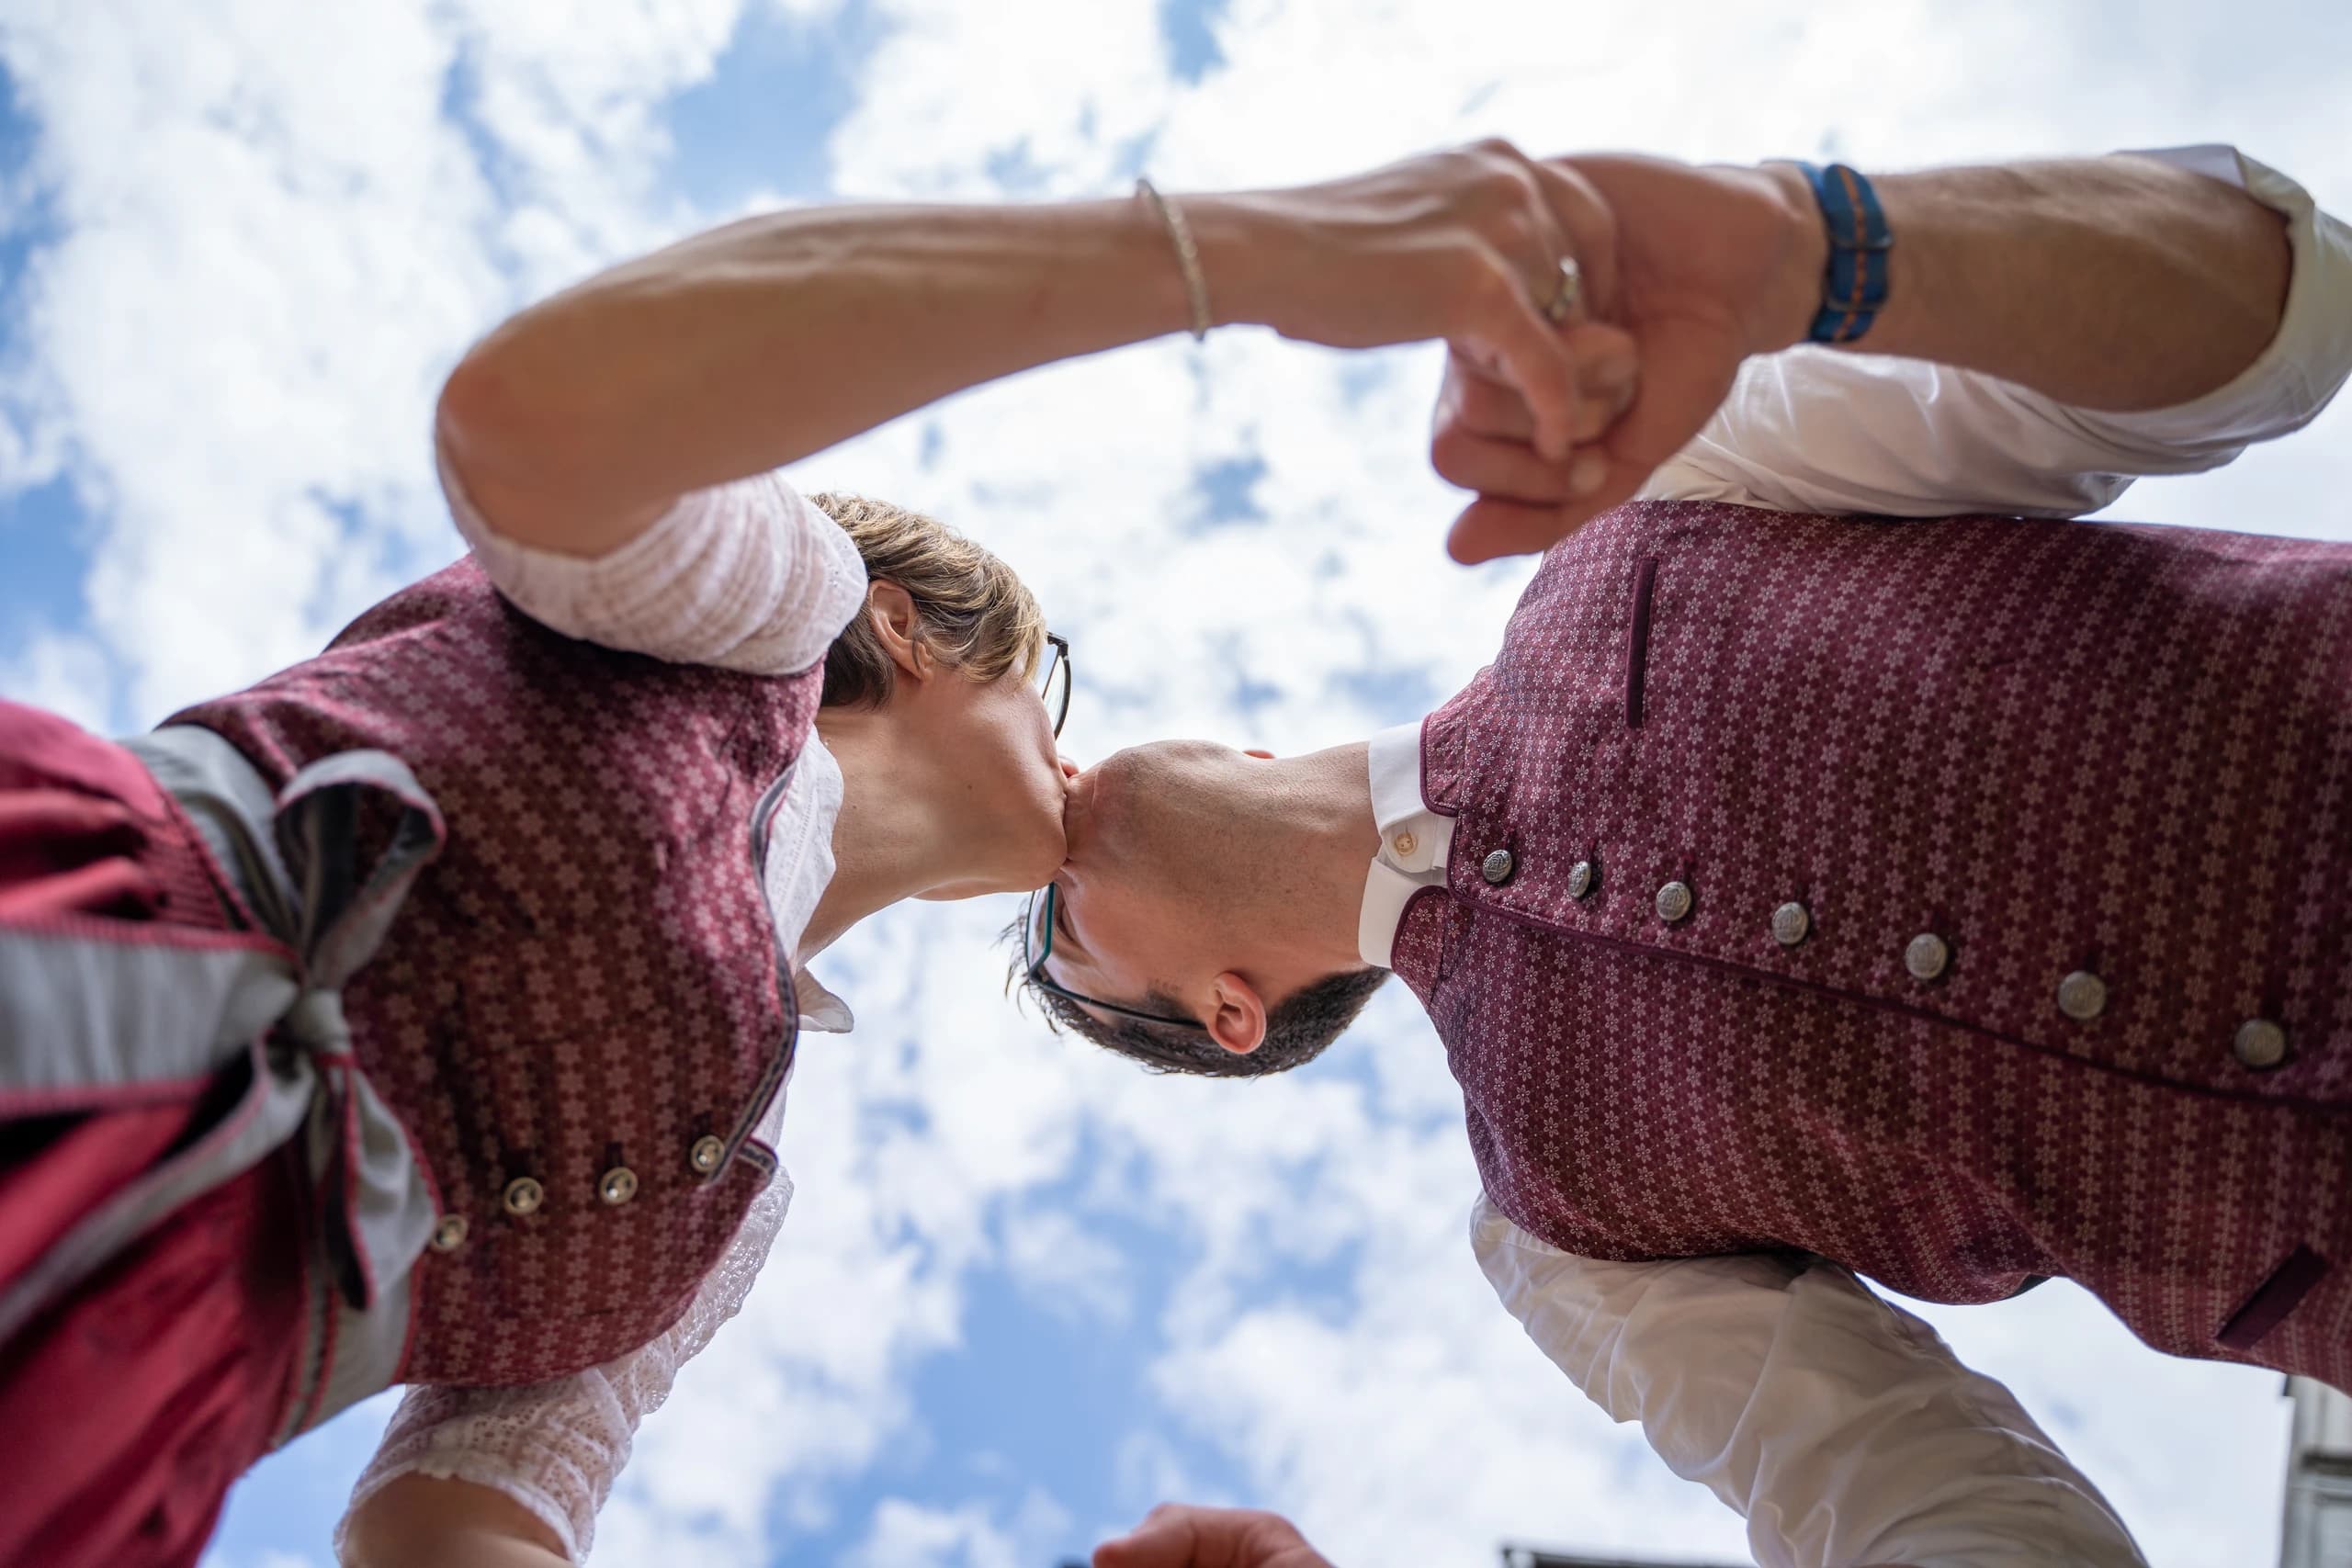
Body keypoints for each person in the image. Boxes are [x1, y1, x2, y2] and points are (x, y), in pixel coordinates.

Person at [0, 141, 1648, 1568]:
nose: (1080, 745)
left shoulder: (741, 1182)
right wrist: (1245, 256)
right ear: (909, 631)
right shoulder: (768, 614)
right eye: (1051, 682)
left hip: (100, 1434)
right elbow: (532, 428)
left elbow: (450, 1519)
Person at [1023, 142, 2352, 1565]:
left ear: (1251, 749)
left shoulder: (1660, 496)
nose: (1031, 843)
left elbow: (2286, 322)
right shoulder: (1560, 1244)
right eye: (1048, 930)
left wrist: (1814, 240)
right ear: (1231, 1016)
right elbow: (1932, 1514)